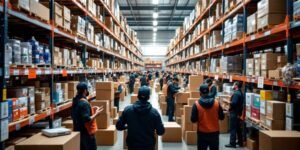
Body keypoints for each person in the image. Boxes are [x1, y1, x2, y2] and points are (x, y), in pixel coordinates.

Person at [116, 86, 165, 150]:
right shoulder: (154, 113)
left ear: (138, 96)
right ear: (149, 97)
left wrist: (127, 126)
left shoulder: (128, 110)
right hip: (148, 146)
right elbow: (160, 132)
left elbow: (119, 126)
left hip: (133, 145)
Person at [191, 84, 225, 150]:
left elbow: (193, 119)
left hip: (202, 133)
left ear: (200, 93)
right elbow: (222, 117)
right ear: (208, 91)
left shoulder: (196, 104)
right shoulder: (216, 103)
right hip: (214, 133)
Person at [71, 82, 103, 150]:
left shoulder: (75, 100)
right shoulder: (84, 103)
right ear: (85, 91)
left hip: (77, 130)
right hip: (86, 132)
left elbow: (79, 112)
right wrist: (96, 114)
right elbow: (86, 119)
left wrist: (91, 109)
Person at [225, 81, 244, 148]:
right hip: (238, 113)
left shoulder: (236, 94)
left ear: (236, 86)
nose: (232, 86)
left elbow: (234, 103)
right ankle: (240, 142)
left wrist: (228, 102)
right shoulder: (240, 93)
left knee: (233, 128)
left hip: (234, 113)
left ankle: (232, 143)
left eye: (233, 85)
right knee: (238, 128)